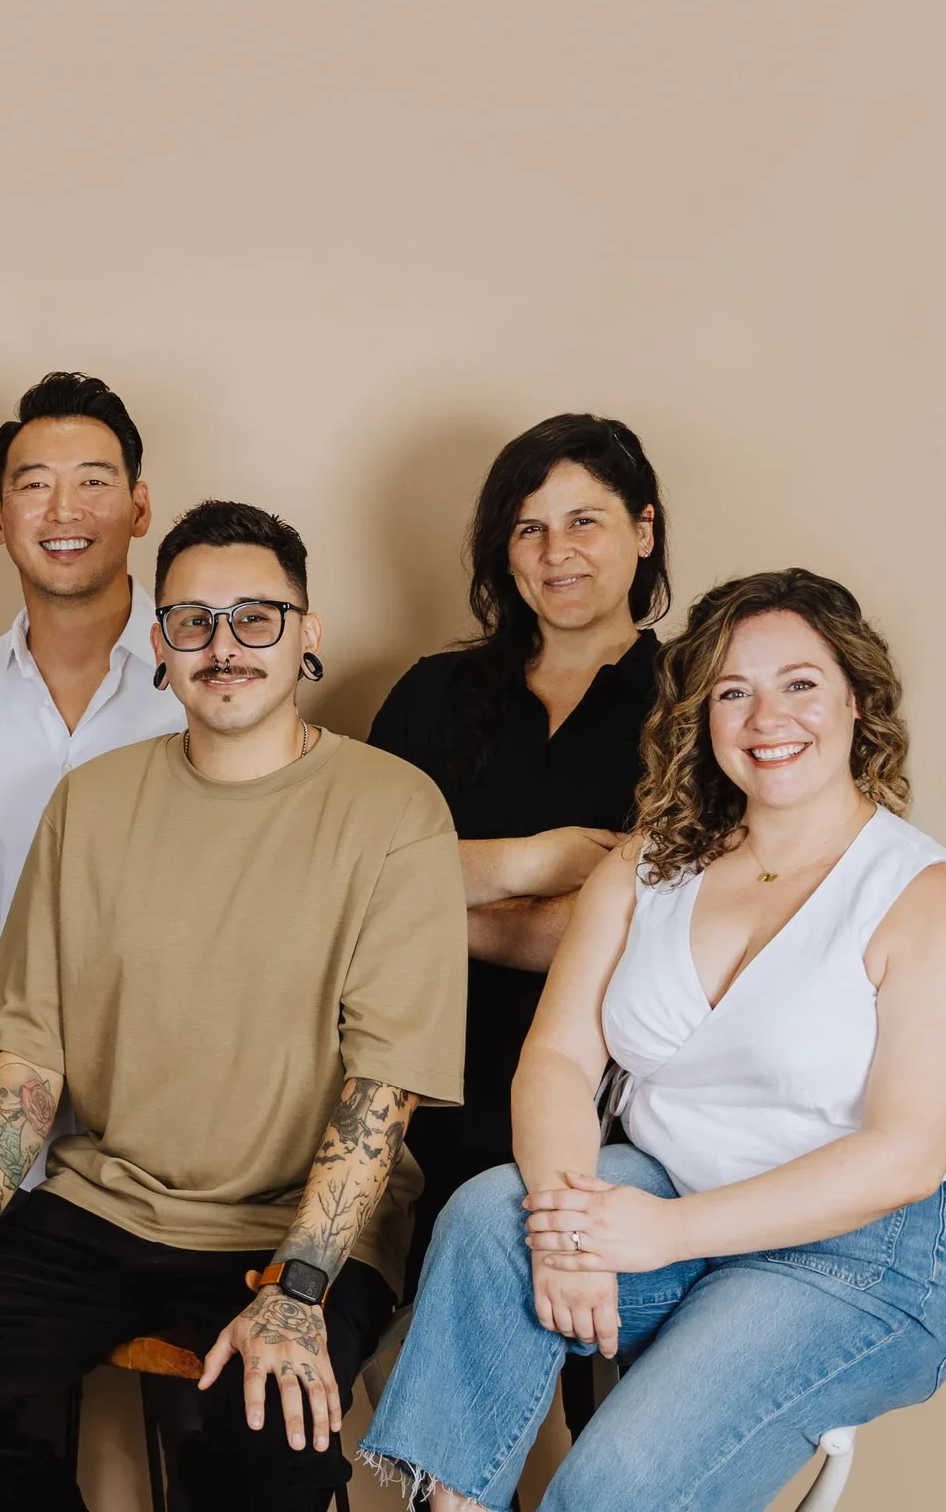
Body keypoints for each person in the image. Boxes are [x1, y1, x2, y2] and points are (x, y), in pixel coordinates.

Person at [0, 500, 467, 1512]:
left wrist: (299, 1289)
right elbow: (29, 1053)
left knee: (267, 1436)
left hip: (291, 1229)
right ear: (160, 642)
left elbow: (382, 1088)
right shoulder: (91, 803)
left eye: (255, 617)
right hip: (106, 1204)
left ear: (307, 634)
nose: (221, 646)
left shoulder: (393, 809)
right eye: (192, 619)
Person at [359, 570, 946, 1511]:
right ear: (701, 714)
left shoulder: (931, 899)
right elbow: (561, 1058)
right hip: (664, 1193)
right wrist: (567, 1217)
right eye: (732, 692)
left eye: (799, 683)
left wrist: (662, 1231)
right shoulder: (648, 864)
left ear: (856, 700)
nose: (764, 716)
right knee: (491, 1219)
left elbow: (903, 1157)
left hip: (865, 1253)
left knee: (611, 1487)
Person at [366, 415, 668, 1289]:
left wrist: (426, 900)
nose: (555, 551)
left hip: (617, 1109)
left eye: (585, 521)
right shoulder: (430, 696)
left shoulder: (696, 702)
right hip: (417, 1087)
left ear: (643, 531)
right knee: (413, 1357)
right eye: (528, 527)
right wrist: (538, 862)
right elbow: (345, 884)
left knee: (605, 1385)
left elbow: (634, 932)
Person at [0, 372, 182, 1211]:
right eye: (35, 485)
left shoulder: (206, 685)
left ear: (139, 506)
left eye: (94, 481)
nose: (64, 511)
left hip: (173, 1129)